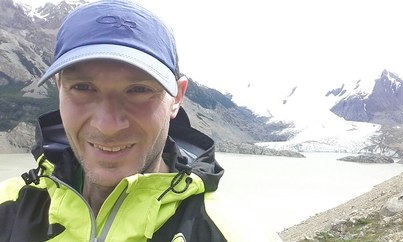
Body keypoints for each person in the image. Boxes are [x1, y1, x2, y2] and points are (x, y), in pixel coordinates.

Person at [0, 0, 282, 241]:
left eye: (139, 90)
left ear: (177, 98)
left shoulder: (235, 234)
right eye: (83, 87)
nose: (107, 125)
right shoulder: (7, 208)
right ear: (59, 87)